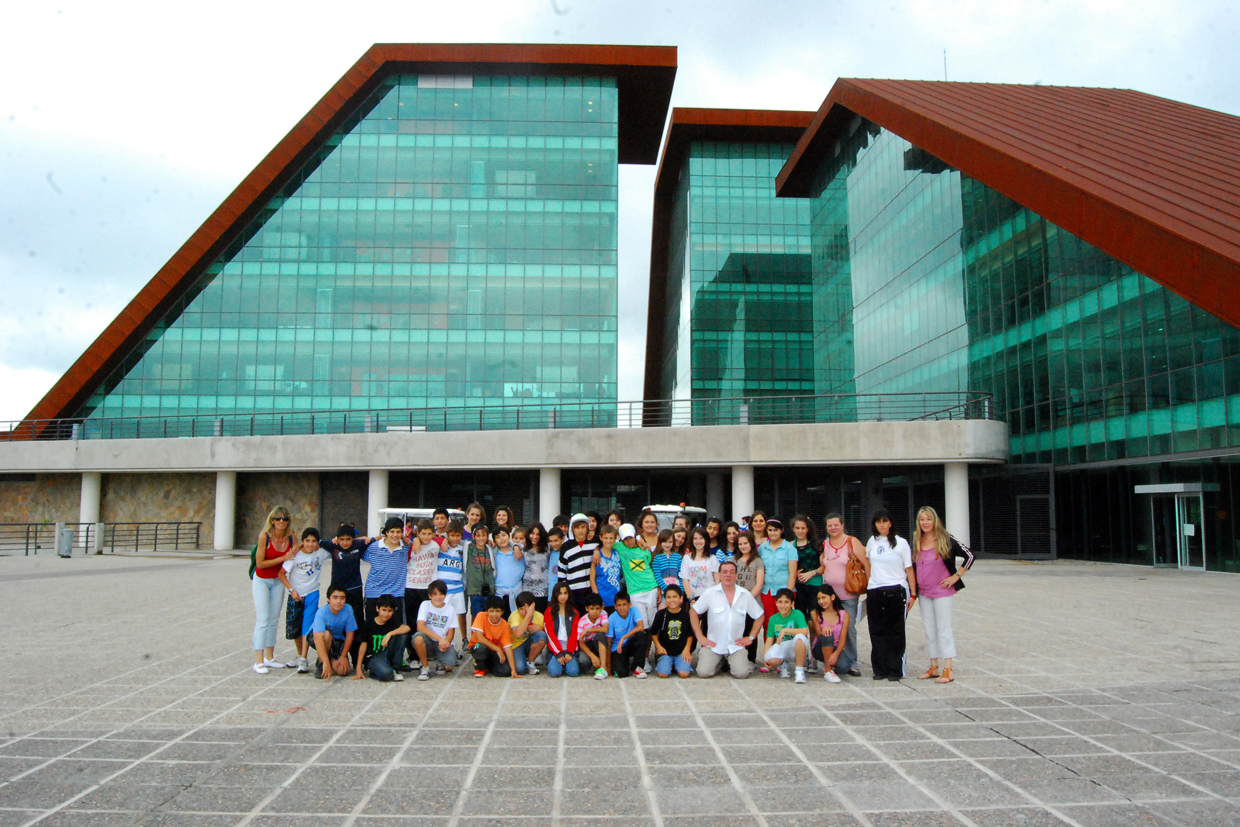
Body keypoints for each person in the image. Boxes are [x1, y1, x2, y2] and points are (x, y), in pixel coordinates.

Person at [911, 506, 974, 685]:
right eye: (922, 519)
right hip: (924, 592)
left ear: (935, 520)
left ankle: (948, 668)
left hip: (942, 591)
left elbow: (970, 556)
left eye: (928, 519)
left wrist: (956, 576)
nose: (925, 523)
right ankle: (933, 666)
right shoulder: (917, 539)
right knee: (930, 630)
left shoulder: (946, 538)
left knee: (943, 629)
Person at [689, 560, 764, 679]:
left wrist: (751, 637)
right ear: (719, 574)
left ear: (736, 575)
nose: (728, 575)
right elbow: (693, 612)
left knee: (742, 674)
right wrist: (700, 637)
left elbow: (760, 616)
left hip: (735, 646)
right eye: (724, 572)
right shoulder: (710, 593)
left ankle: (728, 661)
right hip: (714, 645)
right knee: (704, 673)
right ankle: (720, 661)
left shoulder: (745, 594)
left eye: (731, 572)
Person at [865, 508, 916, 681]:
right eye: (878, 521)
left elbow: (909, 569)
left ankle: (895, 669)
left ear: (890, 523)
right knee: (876, 631)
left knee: (895, 631)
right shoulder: (872, 541)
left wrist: (913, 594)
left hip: (896, 590)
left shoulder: (901, 543)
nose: (882, 524)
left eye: (884, 521)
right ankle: (879, 669)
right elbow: (868, 564)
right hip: (875, 590)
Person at [820, 513, 866, 678]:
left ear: (842, 525)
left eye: (835, 525)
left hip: (848, 595)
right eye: (829, 525)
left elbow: (866, 564)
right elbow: (823, 566)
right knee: (830, 628)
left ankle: (852, 663)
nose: (833, 528)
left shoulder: (852, 542)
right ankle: (831, 659)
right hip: (830, 598)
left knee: (849, 629)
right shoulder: (825, 544)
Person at [279, 527, 331, 673]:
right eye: (307, 541)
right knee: (295, 627)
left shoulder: (321, 553)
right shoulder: (294, 555)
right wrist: (291, 590)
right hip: (295, 594)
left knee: (307, 626)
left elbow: (334, 545)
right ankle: (299, 654)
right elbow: (281, 574)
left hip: (312, 593)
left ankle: (303, 658)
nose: (310, 544)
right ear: (303, 541)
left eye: (314, 541)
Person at [251, 506, 296, 674]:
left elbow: (299, 547)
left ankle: (270, 656)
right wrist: (282, 558)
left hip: (278, 581)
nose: (281, 521)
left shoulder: (290, 537)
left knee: (274, 618)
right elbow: (260, 563)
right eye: (278, 518)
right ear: (272, 520)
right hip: (262, 580)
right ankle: (258, 660)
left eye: (285, 519)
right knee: (263, 618)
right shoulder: (264, 537)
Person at [321, 523, 368, 641]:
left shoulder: (359, 544)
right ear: (337, 539)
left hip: (355, 589)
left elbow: (378, 538)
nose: (345, 542)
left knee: (357, 620)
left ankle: (357, 653)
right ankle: (336, 649)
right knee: (335, 619)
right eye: (341, 539)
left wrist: (366, 538)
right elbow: (317, 541)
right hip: (338, 590)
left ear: (353, 539)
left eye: (348, 539)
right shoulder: (333, 546)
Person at [405, 519, 441, 670]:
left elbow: (447, 538)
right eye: (423, 534)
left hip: (427, 588)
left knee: (429, 621)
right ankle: (413, 655)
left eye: (429, 534)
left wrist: (443, 539)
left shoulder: (437, 544)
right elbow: (401, 538)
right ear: (418, 533)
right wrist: (415, 540)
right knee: (412, 622)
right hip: (411, 586)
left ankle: (429, 651)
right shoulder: (411, 545)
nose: (426, 537)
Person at [354, 594, 410, 682]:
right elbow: (363, 645)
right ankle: (376, 672)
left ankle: (396, 669)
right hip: (373, 657)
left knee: (402, 635)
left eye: (389, 611)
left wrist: (389, 634)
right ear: (377, 609)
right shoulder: (368, 624)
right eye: (383, 610)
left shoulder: (392, 621)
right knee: (386, 674)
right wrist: (358, 667)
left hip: (387, 653)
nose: (386, 614)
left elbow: (406, 628)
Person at [363, 518, 409, 625]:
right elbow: (355, 545)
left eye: (398, 532)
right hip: (373, 593)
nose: (395, 535)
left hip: (396, 593)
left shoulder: (406, 548)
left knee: (397, 627)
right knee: (372, 626)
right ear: (386, 533)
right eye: (392, 531)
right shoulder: (373, 547)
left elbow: (422, 539)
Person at [615, 523, 659, 630]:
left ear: (635, 535)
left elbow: (649, 565)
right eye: (625, 539)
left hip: (651, 587)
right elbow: (605, 541)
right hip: (634, 591)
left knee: (653, 621)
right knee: (641, 624)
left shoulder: (644, 549)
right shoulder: (620, 547)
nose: (629, 541)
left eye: (631, 537)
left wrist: (657, 588)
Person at [413, 580, 459, 679]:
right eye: (435, 594)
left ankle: (441, 662)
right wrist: (440, 639)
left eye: (441, 594)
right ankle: (425, 667)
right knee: (418, 638)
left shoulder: (450, 609)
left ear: (445, 595)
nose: (438, 597)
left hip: (442, 643)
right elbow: (420, 626)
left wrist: (446, 643)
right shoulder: (425, 604)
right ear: (430, 596)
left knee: (449, 665)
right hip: (429, 640)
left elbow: (451, 632)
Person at [310, 585, 357, 682]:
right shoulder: (322, 612)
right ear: (328, 599)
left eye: (342, 598)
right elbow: (317, 637)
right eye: (335, 598)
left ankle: (331, 658)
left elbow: (350, 634)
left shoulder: (348, 609)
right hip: (319, 638)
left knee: (343, 671)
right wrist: (325, 662)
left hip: (337, 640)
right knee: (326, 635)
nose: (339, 601)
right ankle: (321, 662)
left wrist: (343, 656)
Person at [764, 588, 811, 684]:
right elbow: (769, 639)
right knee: (770, 659)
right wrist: (765, 657)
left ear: (792, 604)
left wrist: (785, 630)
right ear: (776, 603)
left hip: (796, 647)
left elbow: (805, 631)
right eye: (780, 602)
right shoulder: (773, 618)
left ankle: (799, 670)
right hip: (783, 647)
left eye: (786, 602)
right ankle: (783, 664)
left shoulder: (797, 614)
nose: (783, 605)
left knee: (800, 637)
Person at [733, 530, 765, 663]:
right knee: (737, 629)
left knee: (750, 630)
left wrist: (747, 598)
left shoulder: (757, 561)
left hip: (752, 601)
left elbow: (759, 583)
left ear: (751, 544)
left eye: (745, 543)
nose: (743, 546)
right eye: (740, 544)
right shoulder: (734, 560)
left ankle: (750, 660)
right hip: (735, 600)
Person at [758, 519, 798, 626]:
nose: (772, 533)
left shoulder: (790, 548)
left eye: (775, 530)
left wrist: (787, 595)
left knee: (785, 622)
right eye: (770, 530)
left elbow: (793, 574)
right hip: (767, 591)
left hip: (784, 589)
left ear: (781, 530)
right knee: (768, 623)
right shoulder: (762, 548)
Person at [649, 584, 694, 678]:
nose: (672, 600)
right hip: (666, 651)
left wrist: (687, 649)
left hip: (681, 651)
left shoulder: (686, 614)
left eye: (675, 597)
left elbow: (690, 634)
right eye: (668, 597)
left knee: (684, 674)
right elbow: (653, 633)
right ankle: (665, 662)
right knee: (663, 674)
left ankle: (677, 664)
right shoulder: (661, 614)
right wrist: (658, 647)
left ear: (681, 598)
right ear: (665, 599)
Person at [470, 595, 520, 678]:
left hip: (494, 651)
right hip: (479, 646)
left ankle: (487, 665)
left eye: (497, 611)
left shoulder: (505, 625)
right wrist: (498, 649)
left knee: (504, 671)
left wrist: (513, 670)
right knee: (480, 648)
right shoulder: (481, 616)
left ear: (502, 612)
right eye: (491, 611)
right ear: (487, 611)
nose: (494, 614)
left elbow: (507, 647)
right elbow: (479, 638)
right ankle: (479, 667)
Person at [438, 520, 470, 647]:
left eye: (458, 536)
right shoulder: (441, 547)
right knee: (443, 616)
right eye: (452, 535)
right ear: (448, 535)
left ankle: (457, 641)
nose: (455, 538)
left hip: (457, 588)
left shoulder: (462, 549)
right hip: (443, 589)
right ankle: (442, 641)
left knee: (458, 614)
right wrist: (444, 539)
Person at [809, 584, 849, 683]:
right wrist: (825, 629)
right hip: (820, 647)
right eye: (819, 599)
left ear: (832, 597)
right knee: (827, 633)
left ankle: (830, 662)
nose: (821, 601)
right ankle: (828, 670)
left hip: (835, 647)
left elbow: (843, 638)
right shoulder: (815, 613)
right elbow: (819, 636)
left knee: (844, 668)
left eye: (824, 597)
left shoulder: (844, 615)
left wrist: (836, 654)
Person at [558, 514, 598, 611]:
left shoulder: (595, 541)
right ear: (573, 529)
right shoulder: (566, 546)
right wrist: (563, 591)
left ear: (587, 528)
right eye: (577, 527)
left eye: (583, 527)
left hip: (591, 590)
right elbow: (562, 570)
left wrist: (597, 549)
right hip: (573, 591)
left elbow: (607, 543)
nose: (580, 530)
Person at [544, 582, 581, 678]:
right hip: (555, 649)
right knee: (555, 673)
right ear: (555, 595)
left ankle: (567, 663)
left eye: (565, 593)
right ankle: (558, 662)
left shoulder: (574, 612)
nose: (563, 596)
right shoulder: (549, 612)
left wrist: (569, 652)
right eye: (560, 593)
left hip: (569, 648)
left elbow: (574, 634)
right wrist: (559, 652)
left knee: (573, 672)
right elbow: (550, 634)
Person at [607, 592, 647, 678]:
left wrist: (624, 637)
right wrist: (608, 664)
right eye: (619, 605)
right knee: (621, 673)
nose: (622, 608)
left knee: (641, 635)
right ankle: (624, 663)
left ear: (629, 604)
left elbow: (641, 626)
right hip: (617, 648)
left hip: (630, 643)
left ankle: (637, 667)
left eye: (624, 604)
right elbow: (609, 642)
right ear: (615, 606)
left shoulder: (634, 610)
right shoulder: (611, 618)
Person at [509, 591, 547, 676]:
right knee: (520, 669)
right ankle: (522, 660)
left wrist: (541, 628)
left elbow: (548, 634)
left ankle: (530, 662)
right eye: (521, 609)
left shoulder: (540, 616)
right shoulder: (514, 616)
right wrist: (528, 616)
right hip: (517, 645)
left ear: (533, 606)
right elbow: (518, 634)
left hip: (530, 643)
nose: (525, 611)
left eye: (528, 608)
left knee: (541, 635)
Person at [464, 522, 496, 623]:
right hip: (475, 590)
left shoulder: (491, 548)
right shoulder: (467, 547)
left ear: (487, 536)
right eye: (478, 535)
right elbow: (452, 539)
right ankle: (475, 638)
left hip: (489, 589)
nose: (481, 538)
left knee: (489, 618)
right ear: (473, 536)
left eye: (484, 535)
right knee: (477, 617)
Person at [679, 527, 721, 604]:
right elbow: (685, 580)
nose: (698, 541)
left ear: (706, 540)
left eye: (701, 538)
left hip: (711, 598)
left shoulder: (712, 558)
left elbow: (717, 579)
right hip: (694, 598)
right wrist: (691, 598)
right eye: (695, 539)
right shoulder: (687, 558)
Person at [590, 524, 624, 612]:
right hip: (602, 598)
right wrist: (597, 598)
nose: (608, 541)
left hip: (616, 598)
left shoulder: (617, 553)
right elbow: (592, 579)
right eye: (606, 538)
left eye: (611, 538)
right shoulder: (597, 556)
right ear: (601, 538)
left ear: (615, 538)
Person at [576, 592, 610, 680]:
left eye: (597, 608)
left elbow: (605, 629)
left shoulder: (603, 614)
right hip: (588, 645)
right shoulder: (582, 622)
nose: (595, 611)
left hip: (599, 642)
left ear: (602, 608)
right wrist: (592, 656)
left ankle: (603, 667)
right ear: (587, 608)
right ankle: (596, 663)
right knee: (583, 661)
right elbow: (581, 643)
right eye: (592, 608)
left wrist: (588, 630)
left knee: (600, 634)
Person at [493, 524, 526, 612]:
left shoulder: (519, 551)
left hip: (517, 593)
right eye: (498, 537)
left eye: (504, 535)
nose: (502, 539)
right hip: (499, 594)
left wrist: (515, 546)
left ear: (509, 537)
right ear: (494, 541)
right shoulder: (493, 554)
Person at [521, 522, 551, 612]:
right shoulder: (523, 546)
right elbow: (511, 544)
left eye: (538, 534)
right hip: (528, 588)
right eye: (532, 533)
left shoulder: (548, 547)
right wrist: (515, 546)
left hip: (543, 588)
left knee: (541, 616)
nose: (535, 536)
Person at [650, 529, 682, 604]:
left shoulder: (678, 557)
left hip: (677, 589)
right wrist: (666, 589)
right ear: (660, 542)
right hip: (663, 590)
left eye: (670, 542)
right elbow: (657, 576)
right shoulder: (657, 558)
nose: (667, 545)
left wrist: (681, 590)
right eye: (664, 541)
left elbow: (681, 575)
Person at [547, 526, 565, 598]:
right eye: (551, 541)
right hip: (551, 593)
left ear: (562, 539)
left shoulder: (566, 553)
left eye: (556, 540)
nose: (553, 544)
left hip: (563, 594)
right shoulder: (550, 552)